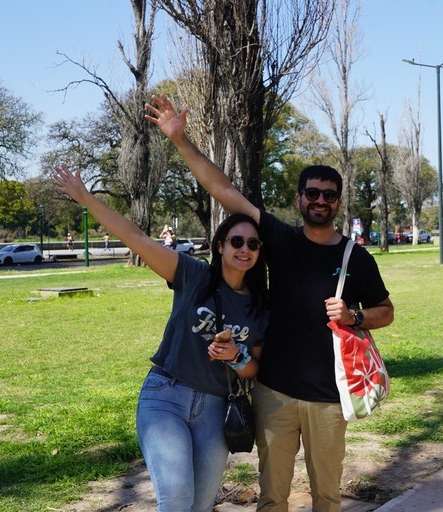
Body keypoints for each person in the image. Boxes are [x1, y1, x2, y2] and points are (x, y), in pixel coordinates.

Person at [145, 94, 394, 512]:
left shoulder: (356, 257)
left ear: (337, 202)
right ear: (299, 200)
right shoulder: (277, 239)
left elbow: (386, 311)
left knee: (327, 498)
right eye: (311, 193)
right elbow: (222, 189)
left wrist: (355, 315)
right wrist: (180, 140)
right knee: (273, 497)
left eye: (328, 195)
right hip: (274, 393)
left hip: (329, 398)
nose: (320, 200)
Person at [53, 164, 270, 512]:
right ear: (219, 246)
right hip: (166, 397)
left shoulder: (260, 305)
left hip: (215, 409)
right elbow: (136, 238)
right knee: (175, 500)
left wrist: (236, 356)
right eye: (237, 241)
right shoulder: (194, 275)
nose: (245, 249)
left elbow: (254, 368)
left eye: (254, 244)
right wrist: (85, 198)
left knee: (199, 506)